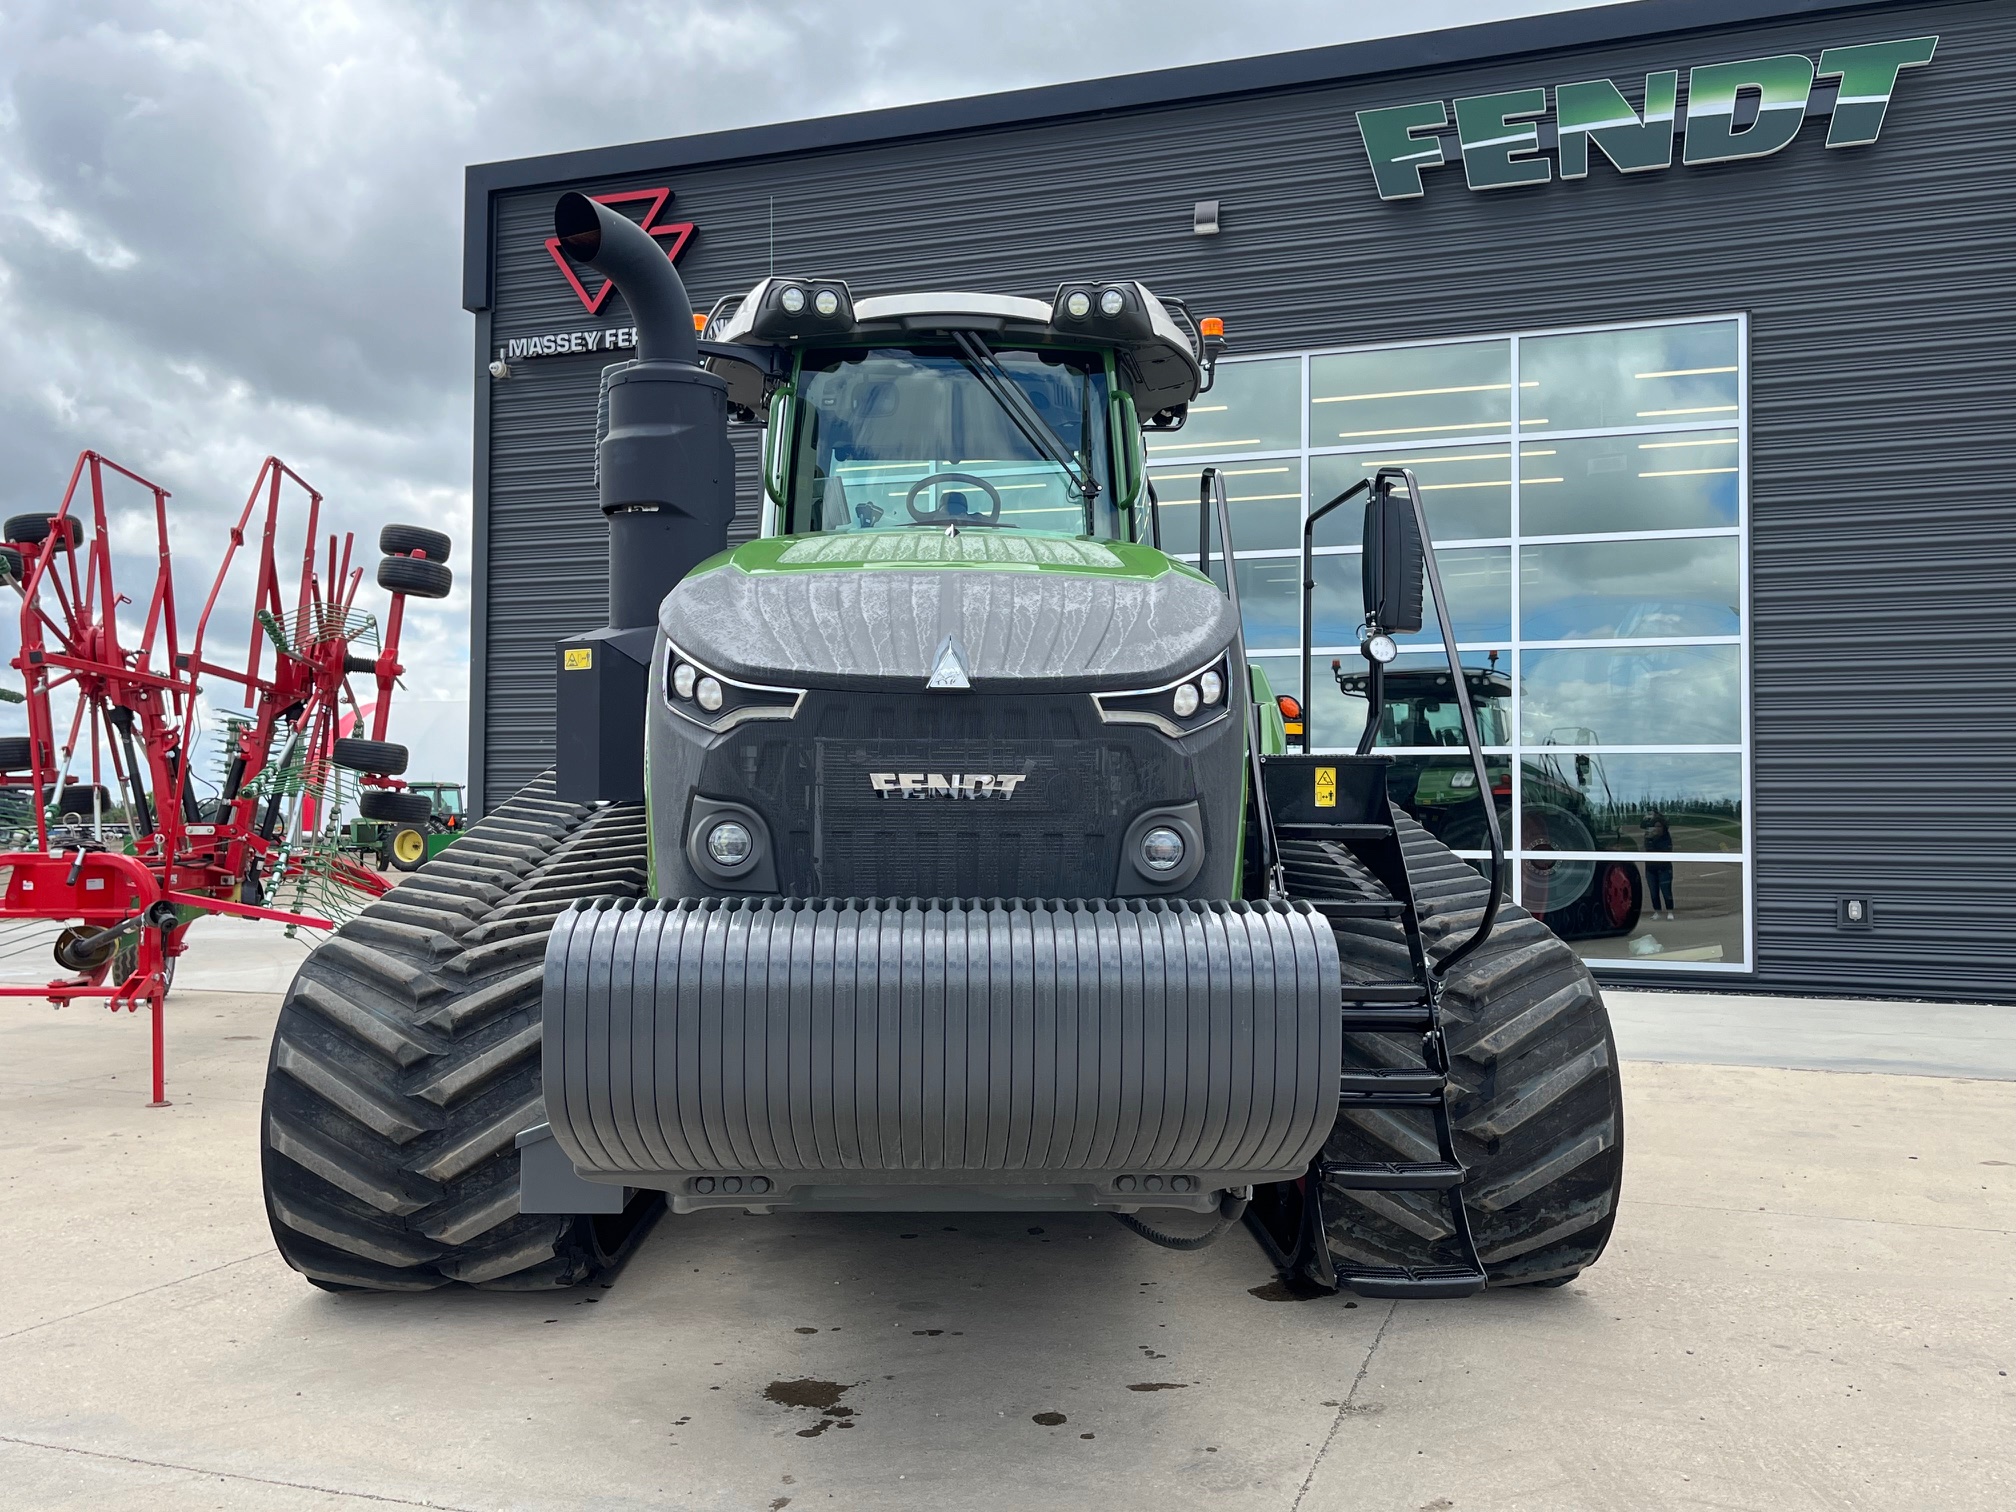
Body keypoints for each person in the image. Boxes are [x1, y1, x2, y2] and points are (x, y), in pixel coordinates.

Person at [1642, 809, 1675, 920]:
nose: (1656, 828)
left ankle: (1670, 911)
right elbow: (1648, 848)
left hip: (1664, 868)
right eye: (1655, 826)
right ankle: (1657, 911)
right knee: (1653, 892)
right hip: (1651, 868)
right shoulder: (1648, 837)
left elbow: (1666, 850)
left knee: (1666, 890)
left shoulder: (1666, 838)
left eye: (1659, 826)